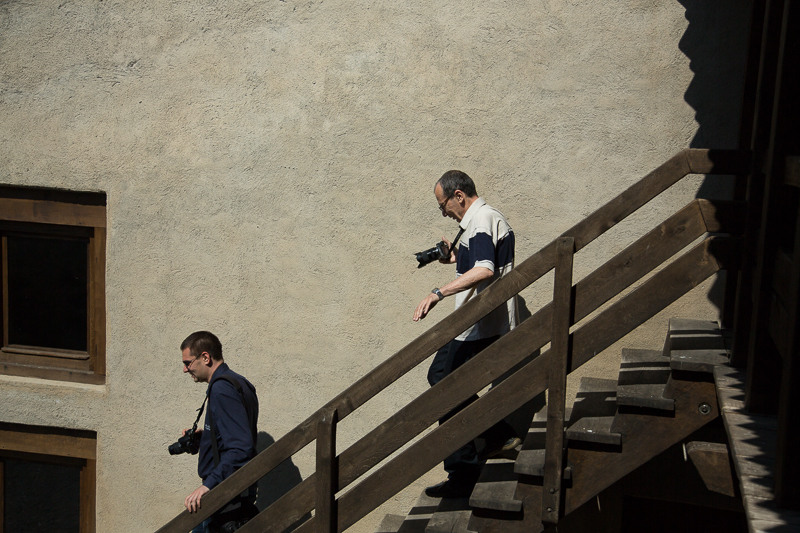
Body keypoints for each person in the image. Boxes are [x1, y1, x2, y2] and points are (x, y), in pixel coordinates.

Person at [413, 170, 521, 498]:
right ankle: (494, 438)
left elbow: (485, 269)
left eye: (443, 205)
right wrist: (455, 258)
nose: (444, 212)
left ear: (458, 196)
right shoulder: (480, 222)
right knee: (442, 380)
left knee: (443, 384)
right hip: (476, 323)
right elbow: (480, 262)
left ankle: (467, 469)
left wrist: (438, 292)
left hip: (480, 324)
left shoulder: (483, 219)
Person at [180, 331, 259, 533]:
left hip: (224, 498)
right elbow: (237, 433)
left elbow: (241, 447)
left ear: (205, 357)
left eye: (188, 363)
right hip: (232, 494)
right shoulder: (239, 382)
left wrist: (208, 486)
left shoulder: (222, 389)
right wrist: (206, 437)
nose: (185, 369)